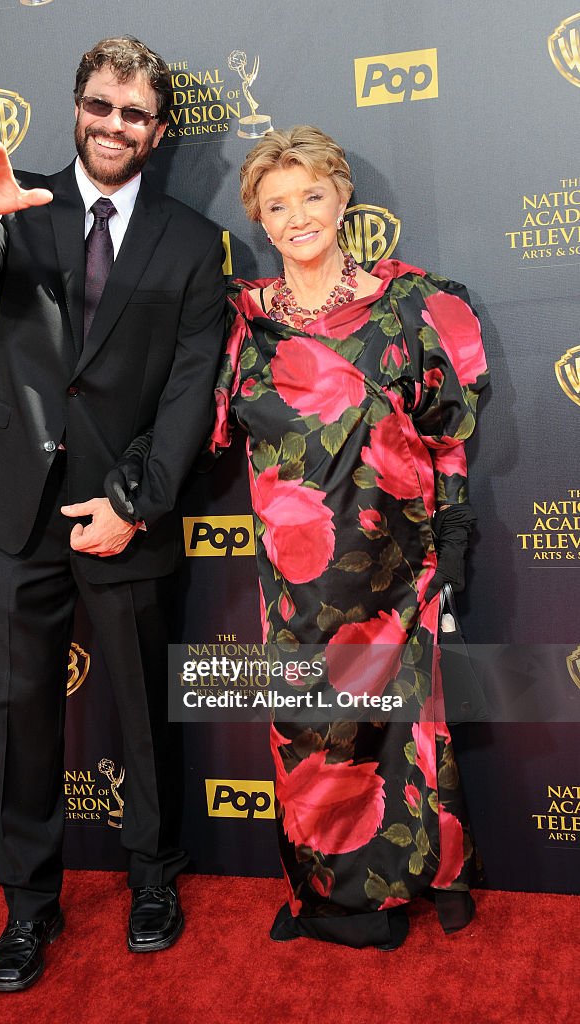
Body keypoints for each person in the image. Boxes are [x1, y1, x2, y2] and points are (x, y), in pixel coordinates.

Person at [0, 37, 225, 991]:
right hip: (15, 502)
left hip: (121, 507)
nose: (112, 125)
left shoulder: (190, 242)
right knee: (19, 717)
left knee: (142, 709)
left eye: (134, 114)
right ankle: (28, 908)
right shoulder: (23, 198)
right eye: (100, 105)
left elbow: (188, 392)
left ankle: (151, 879)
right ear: (78, 107)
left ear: (159, 131)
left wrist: (134, 504)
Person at [208, 126, 488, 950]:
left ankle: (438, 877)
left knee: (412, 729)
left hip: (402, 562)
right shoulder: (240, 325)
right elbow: (208, 432)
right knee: (308, 731)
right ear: (259, 218)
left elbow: (447, 431)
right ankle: (327, 898)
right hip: (297, 579)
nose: (298, 217)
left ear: (343, 199)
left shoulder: (412, 305)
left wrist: (459, 524)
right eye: (277, 204)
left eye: (313, 197)